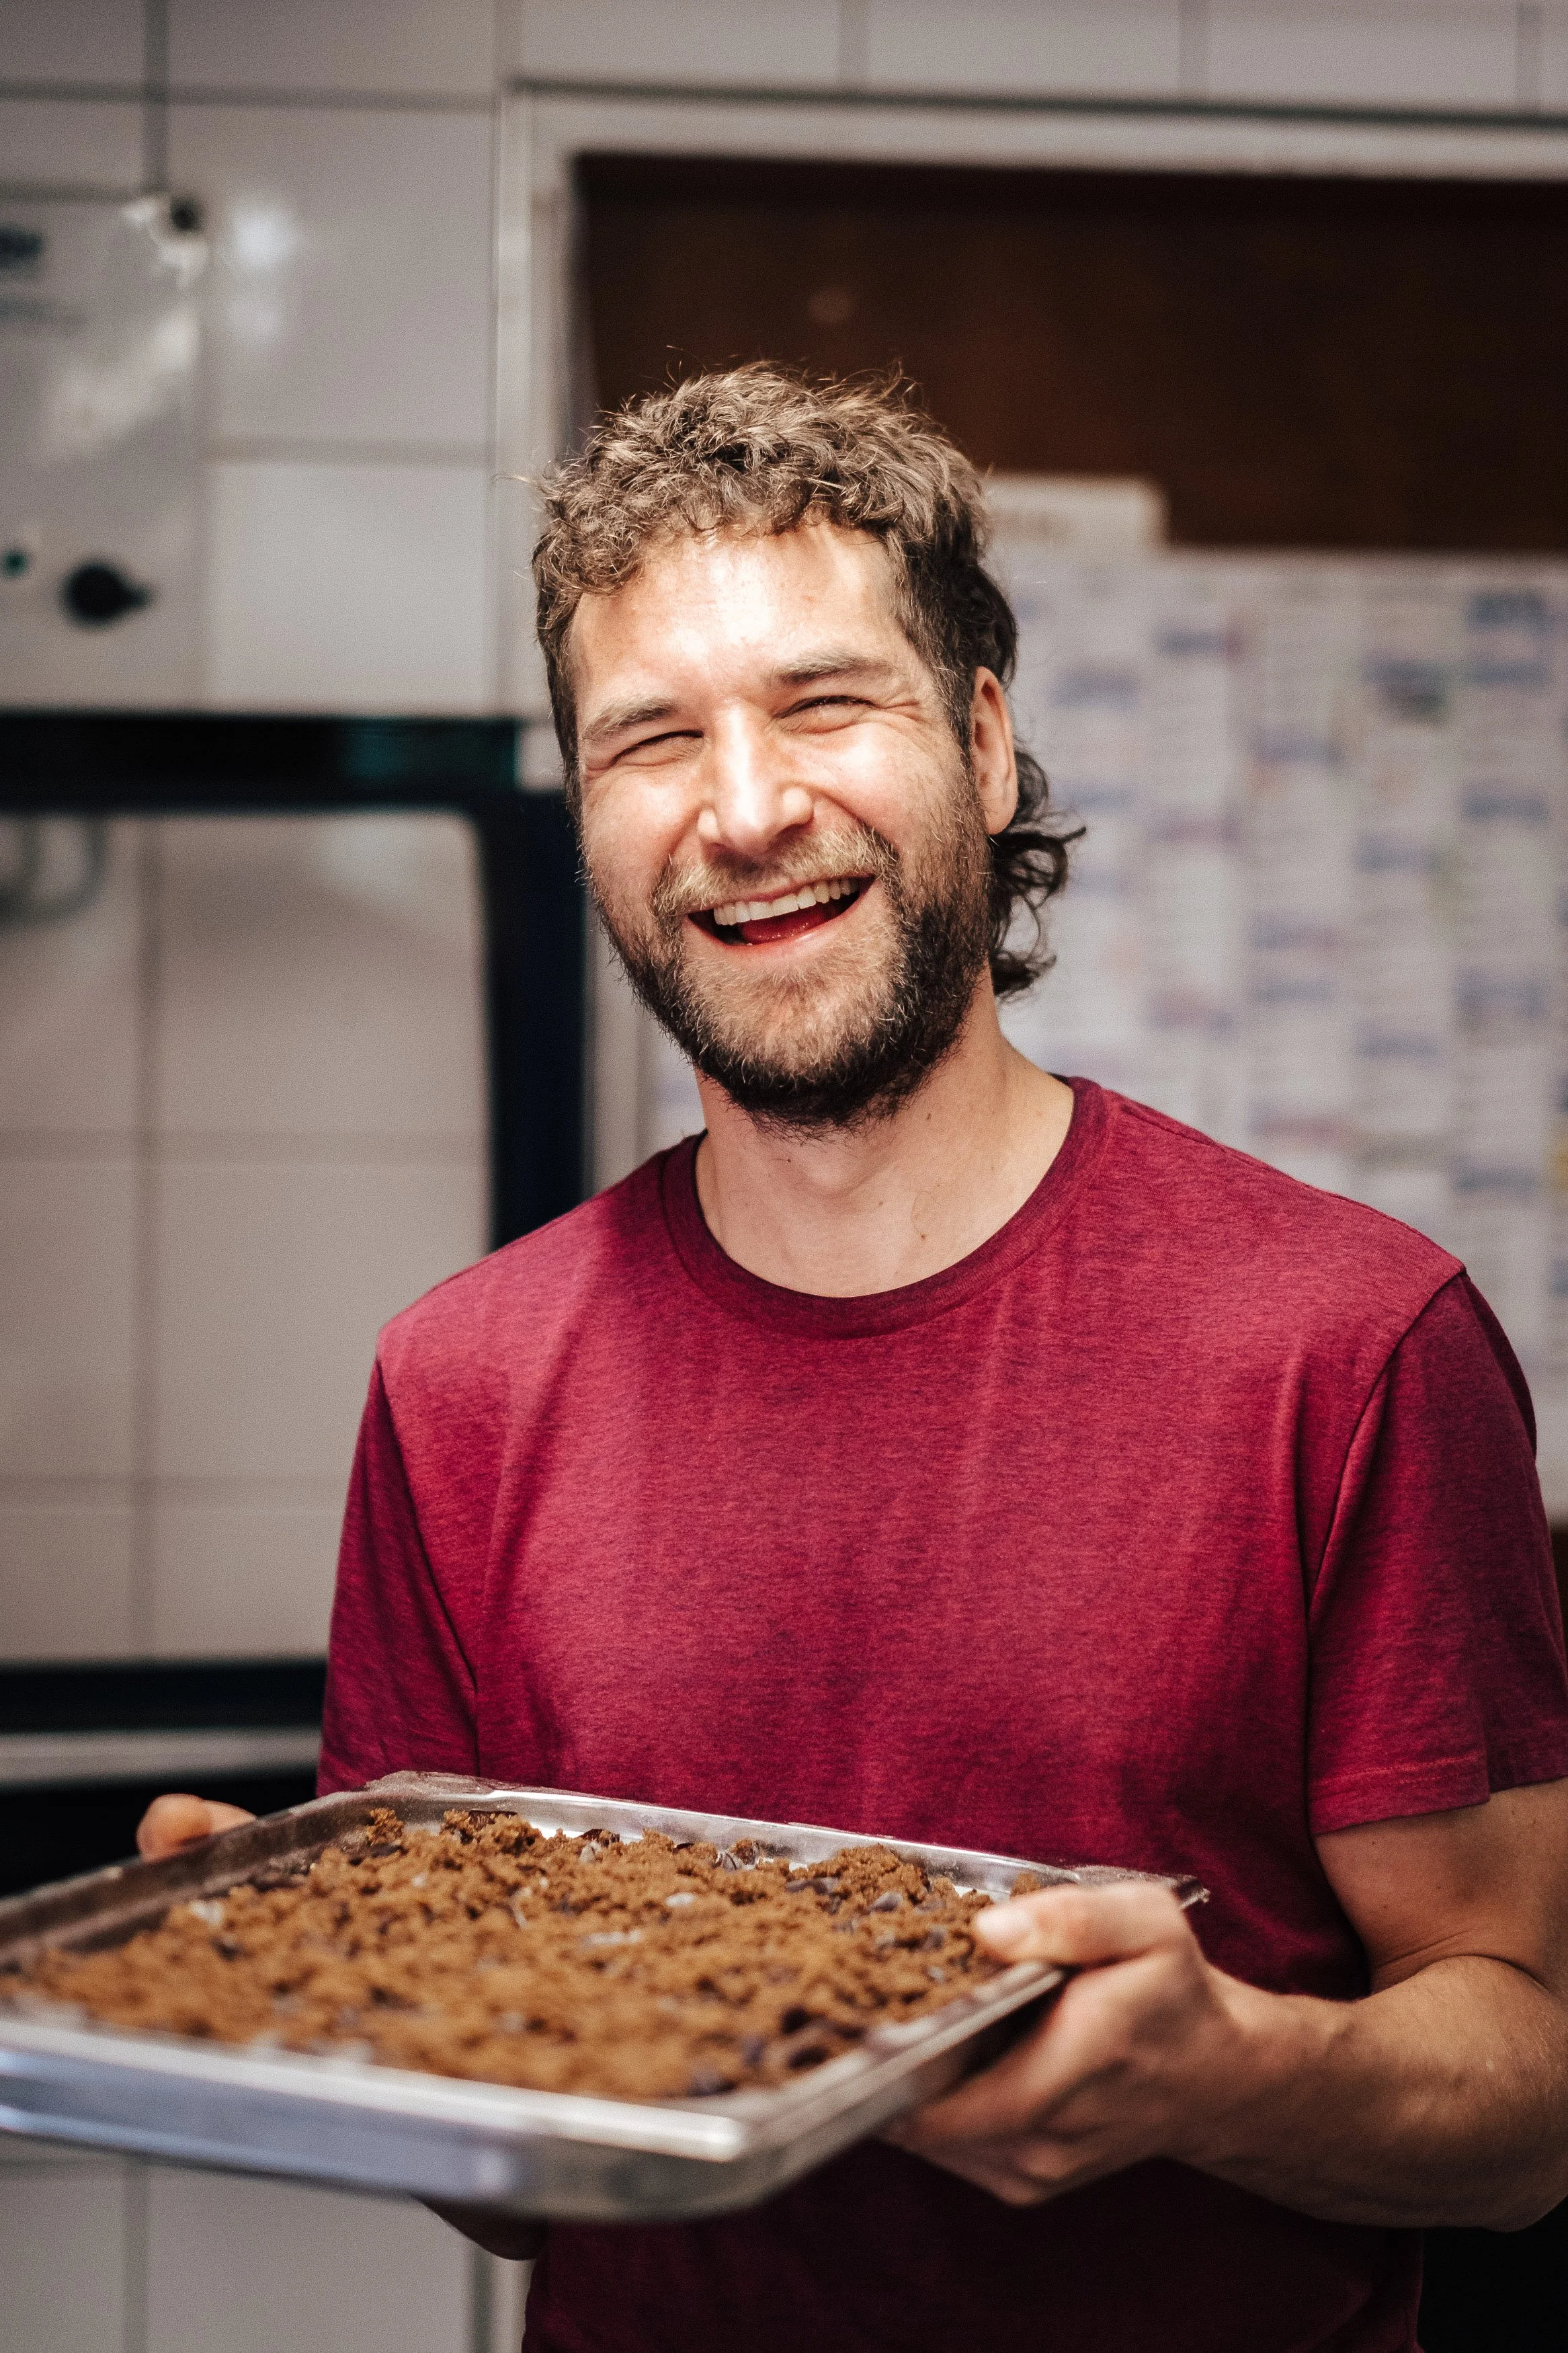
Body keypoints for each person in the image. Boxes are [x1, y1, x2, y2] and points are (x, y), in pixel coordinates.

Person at [139, 367, 1568, 2352]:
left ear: (979, 745)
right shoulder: (462, 1385)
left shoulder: (1345, 1344)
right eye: (653, 738)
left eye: (822, 705)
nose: (744, 812)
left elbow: (1525, 2106)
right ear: (590, 816)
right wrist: (327, 2015)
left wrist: (1226, 2072)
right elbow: (518, 2207)